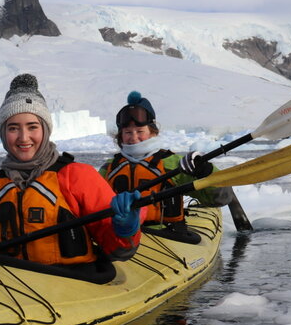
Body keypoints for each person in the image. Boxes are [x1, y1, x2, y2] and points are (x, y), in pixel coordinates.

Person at [0, 74, 142, 271]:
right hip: (12, 285)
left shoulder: (77, 176)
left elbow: (119, 251)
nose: (24, 138)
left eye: (32, 127)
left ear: (46, 130)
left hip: (74, 282)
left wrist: (125, 229)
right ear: (3, 135)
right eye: (13, 128)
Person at [99, 91, 234, 243]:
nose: (134, 137)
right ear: (120, 135)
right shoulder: (109, 168)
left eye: (140, 131)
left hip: (167, 234)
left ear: (152, 132)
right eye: (128, 132)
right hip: (121, 234)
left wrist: (205, 171)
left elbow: (221, 199)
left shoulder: (171, 163)